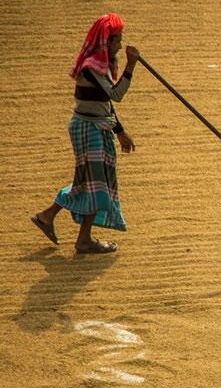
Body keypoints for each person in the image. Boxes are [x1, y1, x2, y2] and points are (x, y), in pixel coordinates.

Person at [30, 13, 140, 254]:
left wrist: (120, 131)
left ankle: (47, 216)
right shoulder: (92, 68)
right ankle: (83, 240)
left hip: (97, 126)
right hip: (88, 128)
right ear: (106, 43)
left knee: (89, 183)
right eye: (117, 41)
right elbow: (116, 95)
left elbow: (104, 104)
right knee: (95, 185)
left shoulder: (99, 67)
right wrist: (131, 65)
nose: (120, 46)